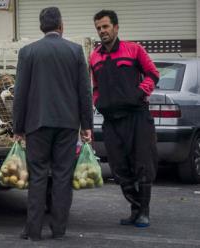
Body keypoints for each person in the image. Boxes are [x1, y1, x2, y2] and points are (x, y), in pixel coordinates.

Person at [12, 7, 93, 240]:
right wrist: (87, 125)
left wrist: (18, 128)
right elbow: (84, 92)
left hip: (36, 124)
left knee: (37, 176)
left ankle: (33, 230)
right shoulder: (75, 51)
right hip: (68, 125)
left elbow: (21, 93)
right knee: (62, 176)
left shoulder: (28, 52)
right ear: (61, 25)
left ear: (41, 27)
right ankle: (59, 229)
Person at [90, 10, 159, 227]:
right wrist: (97, 101)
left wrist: (139, 92)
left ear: (116, 27)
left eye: (106, 26)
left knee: (142, 165)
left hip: (137, 117)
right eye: (99, 28)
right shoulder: (95, 56)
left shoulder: (134, 49)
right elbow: (95, 87)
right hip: (112, 121)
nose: (102, 31)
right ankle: (135, 210)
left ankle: (144, 212)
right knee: (119, 168)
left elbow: (153, 73)